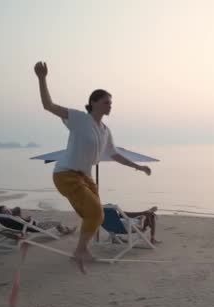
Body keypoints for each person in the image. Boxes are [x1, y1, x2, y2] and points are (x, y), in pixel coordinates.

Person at [34, 61, 151, 272]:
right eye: (106, 102)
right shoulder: (79, 118)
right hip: (66, 174)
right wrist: (42, 78)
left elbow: (115, 154)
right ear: (94, 103)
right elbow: (48, 106)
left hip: (86, 177)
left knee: (96, 216)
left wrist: (138, 167)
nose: (110, 106)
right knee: (96, 213)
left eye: (111, 103)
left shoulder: (105, 130)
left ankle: (81, 250)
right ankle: (80, 251)